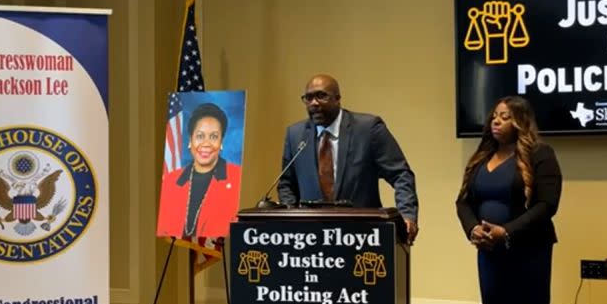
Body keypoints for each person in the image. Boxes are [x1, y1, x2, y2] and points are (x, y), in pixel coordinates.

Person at [455, 96, 562, 304]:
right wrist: (473, 228)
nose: (495, 122)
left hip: (529, 249)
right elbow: (463, 202)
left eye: (504, 116)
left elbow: (547, 205)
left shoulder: (540, 154)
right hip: (490, 252)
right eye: (494, 117)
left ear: (521, 121)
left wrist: (507, 231)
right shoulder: (481, 157)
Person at [277, 74, 419, 243]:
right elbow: (286, 183)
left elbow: (401, 174)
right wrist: (291, 220)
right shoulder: (295, 135)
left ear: (338, 99)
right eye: (308, 98)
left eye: (321, 96)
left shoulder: (368, 129)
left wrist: (406, 215)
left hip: (362, 237)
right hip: (310, 240)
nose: (314, 103)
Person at [157, 102, 242, 239]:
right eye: (200, 136)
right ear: (190, 140)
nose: (206, 143)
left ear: (221, 142)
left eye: (214, 136)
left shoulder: (237, 178)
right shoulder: (170, 181)